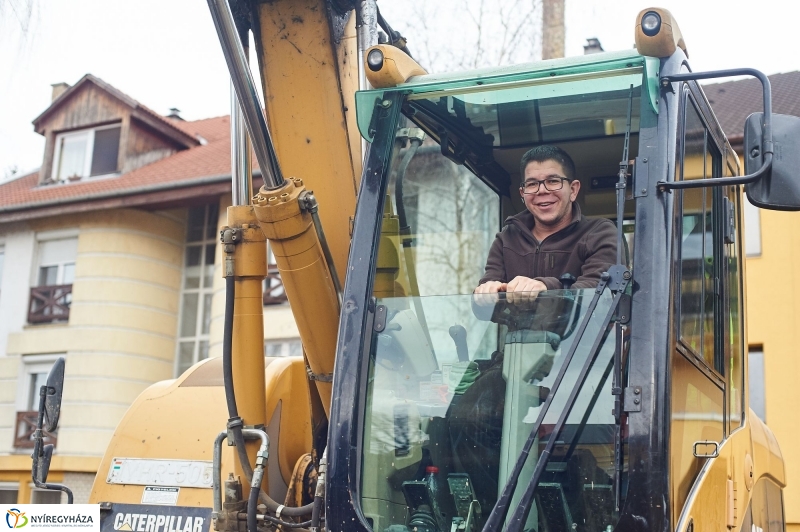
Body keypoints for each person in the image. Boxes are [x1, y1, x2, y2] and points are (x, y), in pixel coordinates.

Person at [474, 144, 617, 303]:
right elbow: (484, 312)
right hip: (519, 329)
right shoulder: (506, 238)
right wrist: (486, 293)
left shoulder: (600, 232)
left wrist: (545, 287)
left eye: (553, 181)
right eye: (532, 184)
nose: (542, 190)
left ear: (573, 190)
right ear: (523, 194)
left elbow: (600, 293)